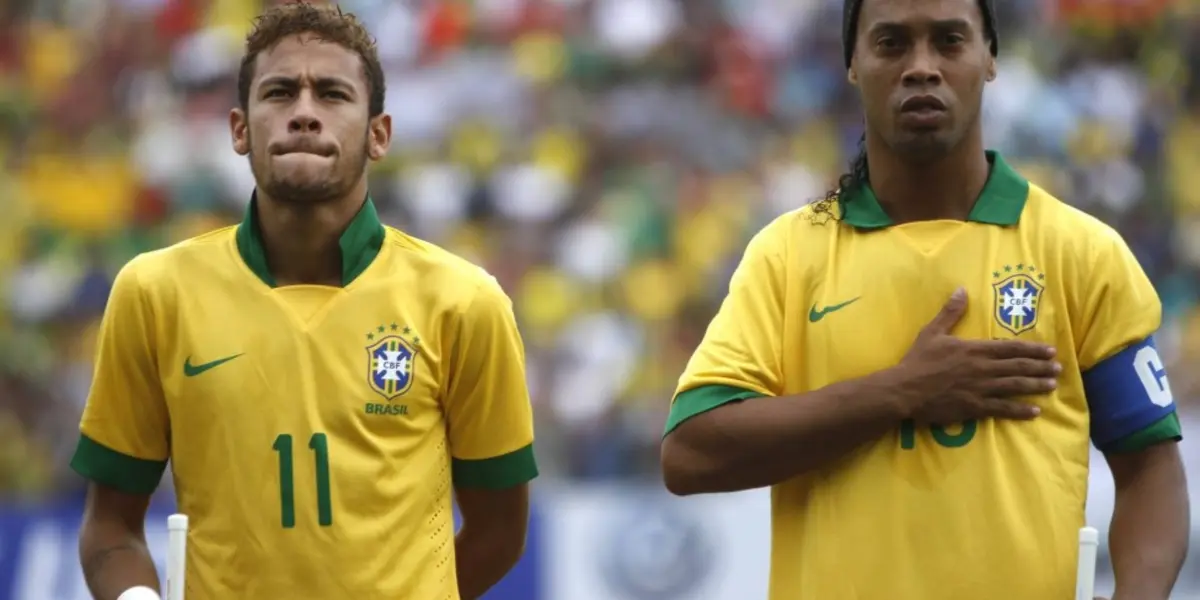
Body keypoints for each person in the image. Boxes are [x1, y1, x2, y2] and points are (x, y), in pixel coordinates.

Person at [659, 0, 1190, 599]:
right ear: (852, 64)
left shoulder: (1080, 252)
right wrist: (900, 393)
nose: (922, 67)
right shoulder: (788, 254)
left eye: (948, 41)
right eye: (891, 44)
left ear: (990, 57)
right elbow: (689, 454)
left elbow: (1150, 466)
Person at [69, 4, 538, 600]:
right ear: (240, 129)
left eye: (334, 94)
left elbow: (500, 530)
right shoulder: (154, 292)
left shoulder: (465, 302)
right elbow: (110, 529)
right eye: (281, 93)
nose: (305, 114)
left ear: (378, 134)